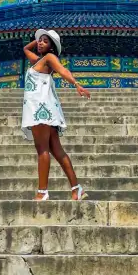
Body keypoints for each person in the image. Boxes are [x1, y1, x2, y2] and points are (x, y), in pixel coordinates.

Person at [22, 29, 91, 201]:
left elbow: (62, 70)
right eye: (40, 41)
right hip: (40, 108)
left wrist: (76, 84)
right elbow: (25, 49)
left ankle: (42, 191)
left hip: (40, 109)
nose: (40, 43)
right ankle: (77, 189)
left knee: (42, 149)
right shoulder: (37, 60)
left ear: (52, 46)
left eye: (45, 41)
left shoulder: (49, 58)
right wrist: (40, 38)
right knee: (57, 150)